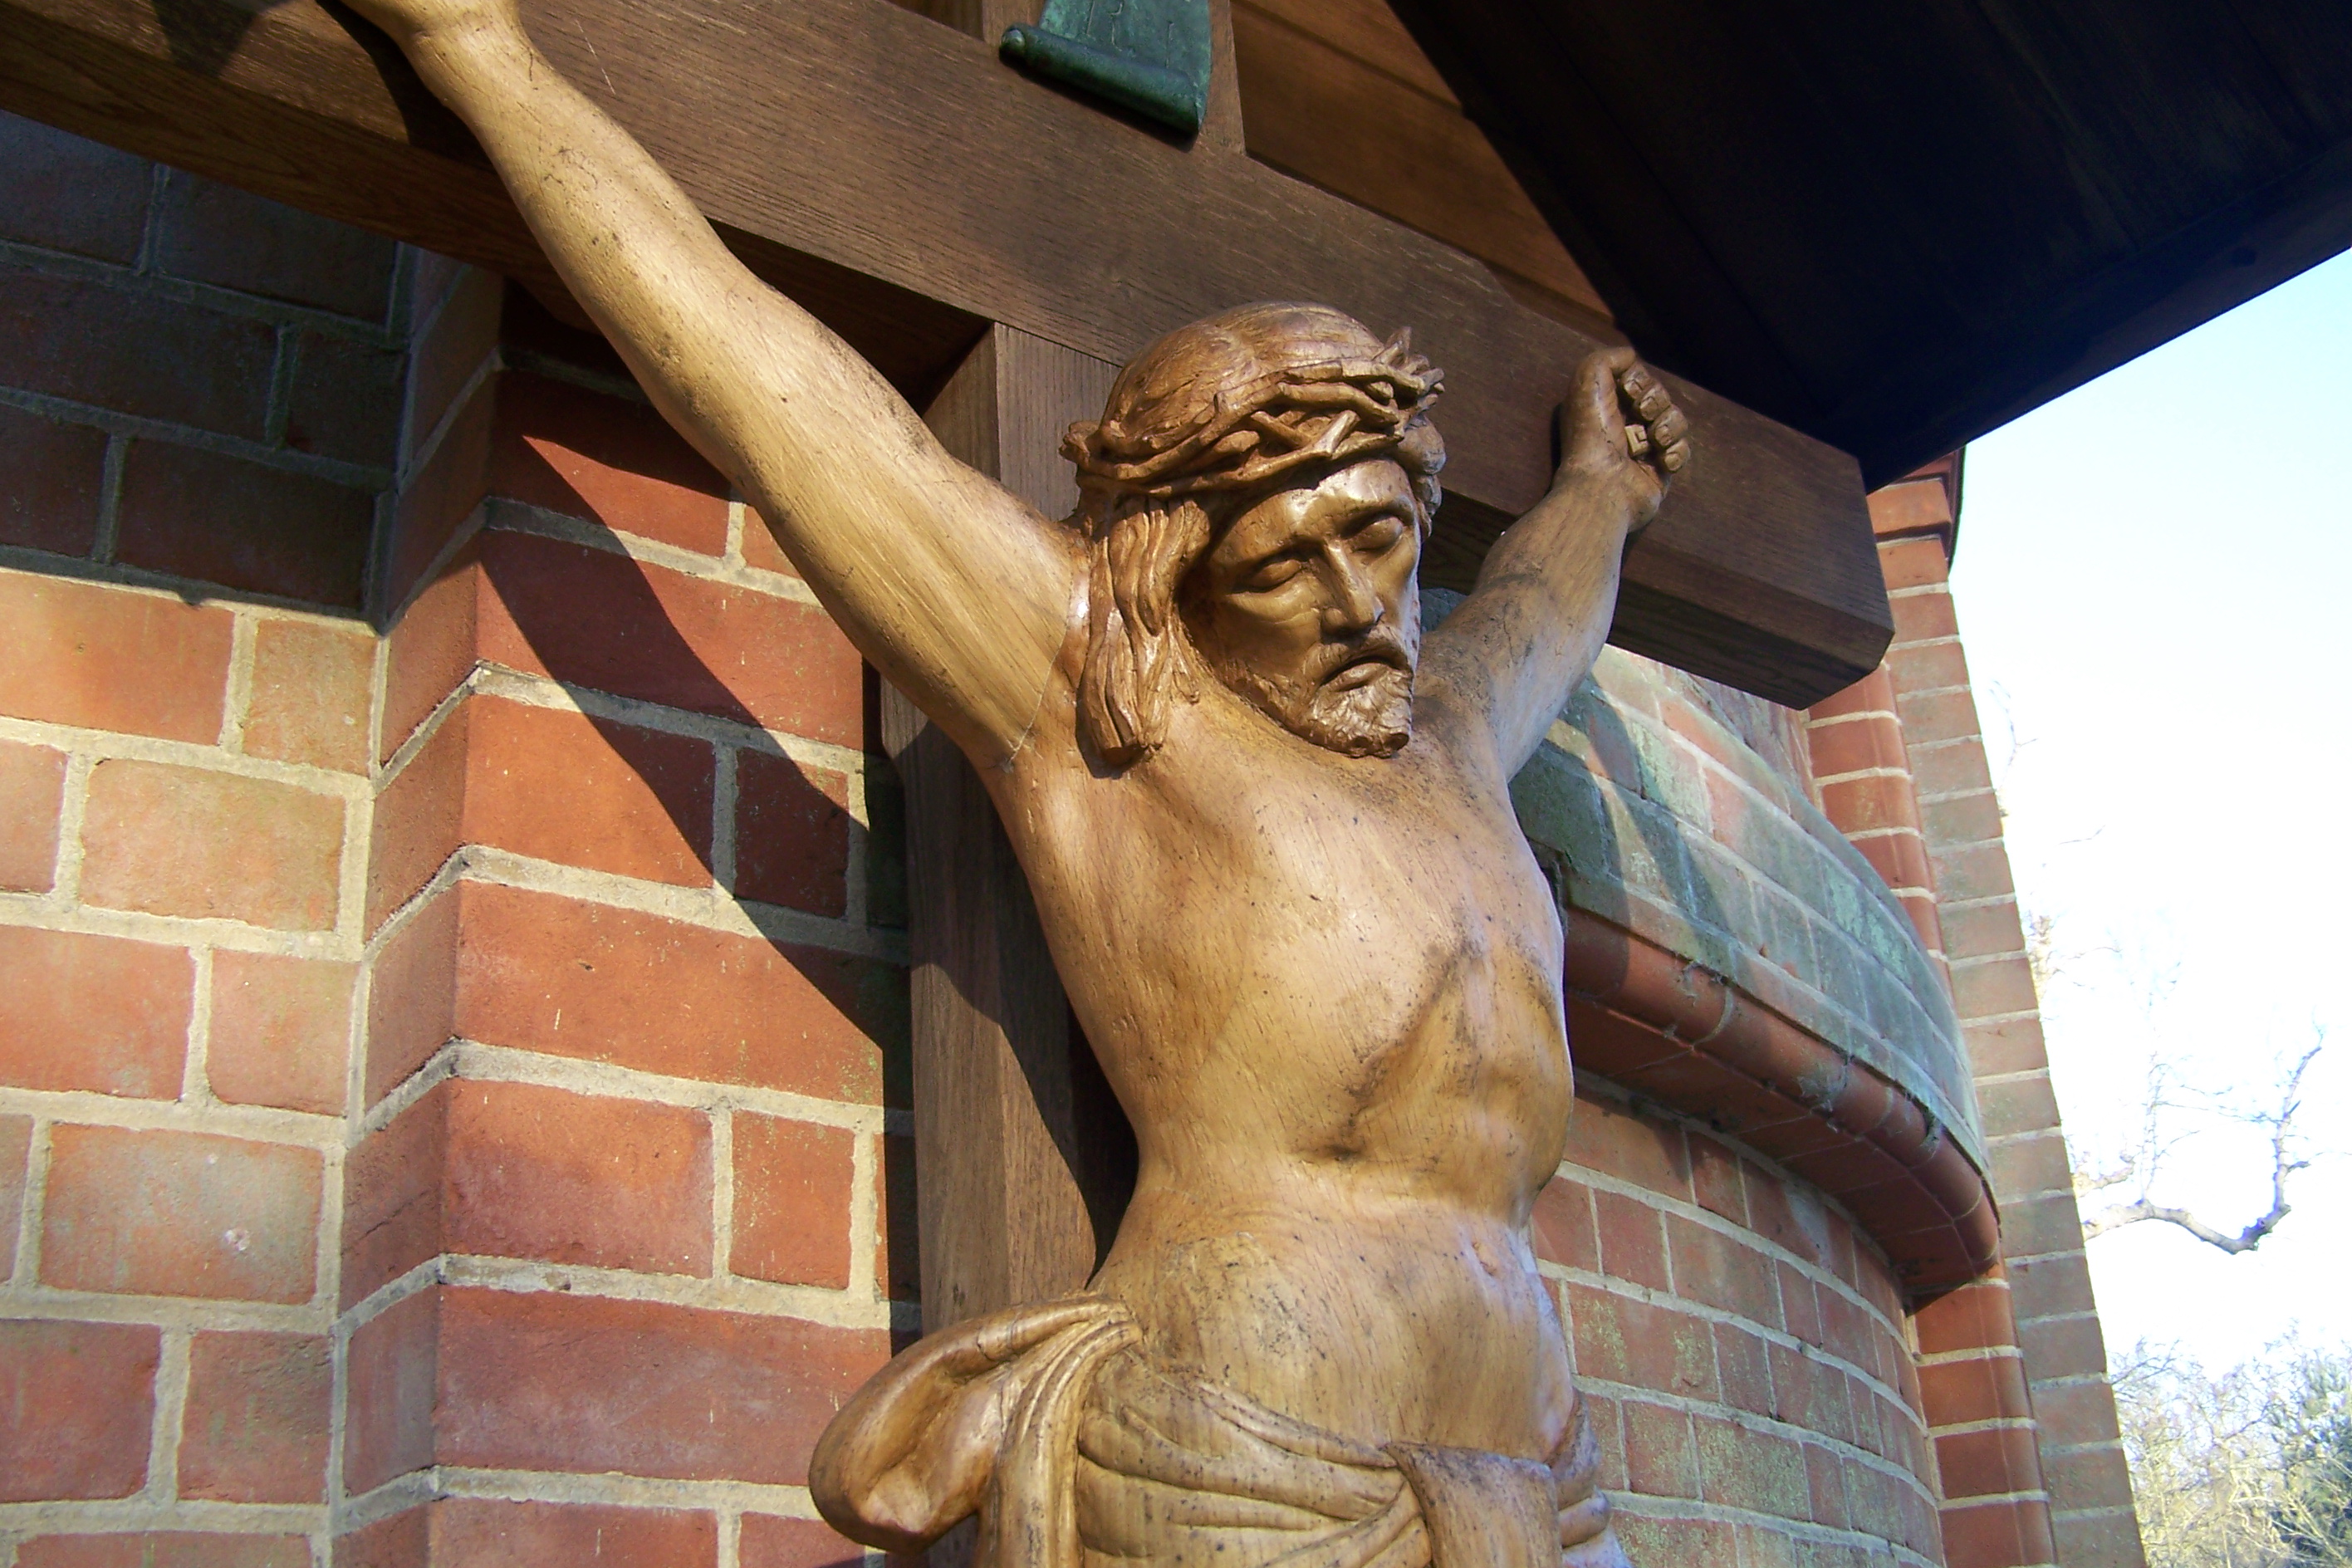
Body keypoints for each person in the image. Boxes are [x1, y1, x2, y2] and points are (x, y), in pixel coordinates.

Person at [342, 3, 1690, 1565]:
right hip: (1253, 1477)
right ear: (1182, 572)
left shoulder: (1450, 732)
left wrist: (1607, 484)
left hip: (1546, 1487)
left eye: (1379, 538)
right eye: (1279, 564)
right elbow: (761, 380)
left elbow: (1539, 599)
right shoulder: (1114, 700)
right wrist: (478, 52)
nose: (1351, 604)